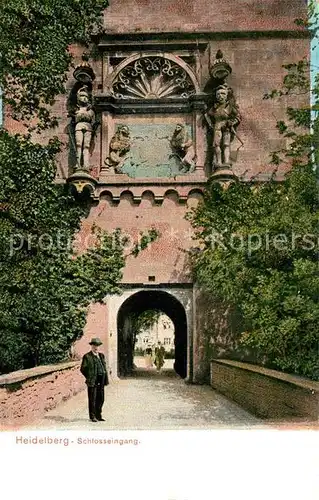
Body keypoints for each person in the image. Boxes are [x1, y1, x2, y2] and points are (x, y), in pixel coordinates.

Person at [204, 84, 241, 167]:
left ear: (227, 95)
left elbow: (238, 117)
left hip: (227, 127)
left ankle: (226, 161)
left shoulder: (230, 107)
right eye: (218, 94)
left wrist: (232, 122)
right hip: (217, 127)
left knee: (226, 144)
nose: (220, 96)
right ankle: (219, 162)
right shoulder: (215, 107)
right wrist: (210, 124)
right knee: (216, 145)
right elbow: (207, 115)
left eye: (223, 94)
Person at [80, 337, 109, 422]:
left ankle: (98, 415)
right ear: (91, 346)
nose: (96, 347)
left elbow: (104, 367)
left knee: (101, 398)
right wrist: (89, 377)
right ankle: (92, 416)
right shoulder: (87, 356)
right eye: (94, 345)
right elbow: (83, 369)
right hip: (93, 381)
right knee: (92, 399)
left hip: (101, 380)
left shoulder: (101, 356)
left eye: (97, 346)